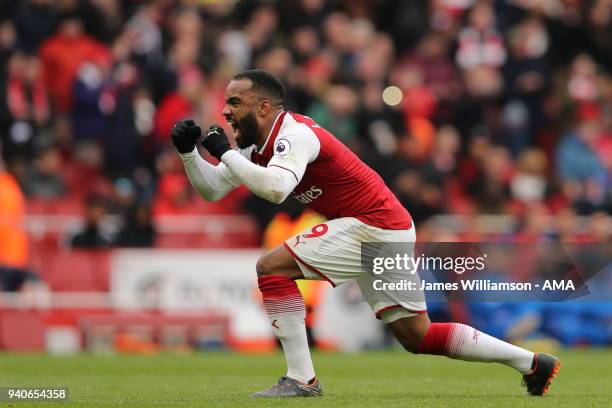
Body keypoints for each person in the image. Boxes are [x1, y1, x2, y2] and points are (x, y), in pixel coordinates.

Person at [171, 69, 560, 398]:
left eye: (234, 102)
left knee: (272, 268)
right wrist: (190, 154)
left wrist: (224, 154)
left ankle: (301, 379)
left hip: (371, 225)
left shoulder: (296, 135)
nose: (224, 110)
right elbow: (213, 189)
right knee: (417, 337)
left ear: (264, 107)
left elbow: (275, 189)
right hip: (386, 227)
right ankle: (531, 362)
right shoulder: (258, 147)